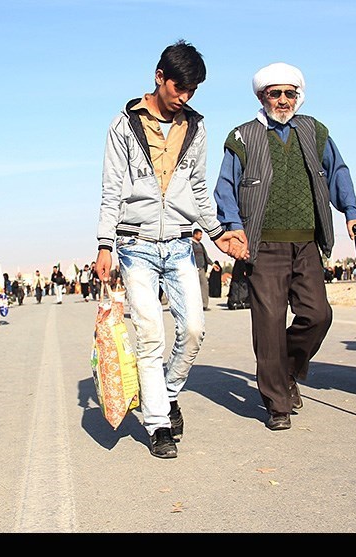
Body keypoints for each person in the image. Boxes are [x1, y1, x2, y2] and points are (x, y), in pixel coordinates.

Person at [95, 40, 247, 458]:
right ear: (159, 77)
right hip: (135, 245)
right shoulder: (124, 124)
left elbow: (198, 188)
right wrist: (105, 244)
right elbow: (111, 189)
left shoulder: (195, 127)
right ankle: (159, 424)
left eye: (192, 91)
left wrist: (217, 233)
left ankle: (168, 389)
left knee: (194, 329)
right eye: (179, 88)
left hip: (180, 244)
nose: (185, 97)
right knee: (149, 336)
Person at [214, 62, 356, 431]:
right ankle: (277, 404)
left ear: (298, 96)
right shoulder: (243, 136)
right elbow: (225, 187)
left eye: (289, 93)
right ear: (261, 96)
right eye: (275, 93)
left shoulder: (313, 131)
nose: (283, 100)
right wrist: (234, 228)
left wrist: (351, 211)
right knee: (269, 325)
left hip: (307, 242)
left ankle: (286, 372)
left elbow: (338, 171)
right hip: (263, 246)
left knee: (318, 315)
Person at [191, 228, 213, 310]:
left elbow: (206, 256)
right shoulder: (190, 245)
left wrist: (212, 264)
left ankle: (204, 305)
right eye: (200, 235)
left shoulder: (201, 245)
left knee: (204, 286)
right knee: (193, 288)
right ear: (195, 234)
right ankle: (194, 305)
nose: (201, 236)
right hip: (193, 270)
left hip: (201, 269)